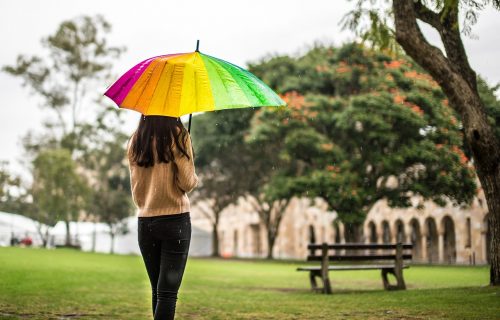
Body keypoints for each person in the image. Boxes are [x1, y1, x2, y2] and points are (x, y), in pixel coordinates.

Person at [127, 115, 198, 320]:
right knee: (167, 294)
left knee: (157, 292)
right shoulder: (179, 135)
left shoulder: (136, 140)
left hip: (146, 222)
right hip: (175, 220)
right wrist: (188, 158)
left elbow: (136, 191)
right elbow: (187, 183)